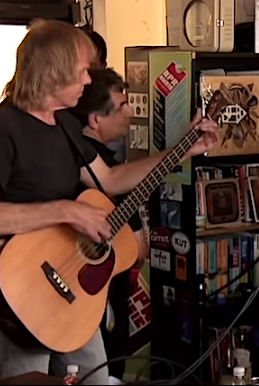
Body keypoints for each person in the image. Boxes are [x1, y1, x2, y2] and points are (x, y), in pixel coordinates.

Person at [0, 19, 219, 384]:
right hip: (24, 291)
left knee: (97, 378)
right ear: (55, 72)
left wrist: (182, 150)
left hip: (74, 294)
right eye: (82, 71)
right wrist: (66, 211)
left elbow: (109, 179)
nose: (88, 80)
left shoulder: (63, 123)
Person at [71, 67, 145, 383]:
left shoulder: (91, 163)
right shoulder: (105, 177)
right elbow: (138, 251)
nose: (131, 112)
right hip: (97, 301)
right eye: (122, 106)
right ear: (95, 120)